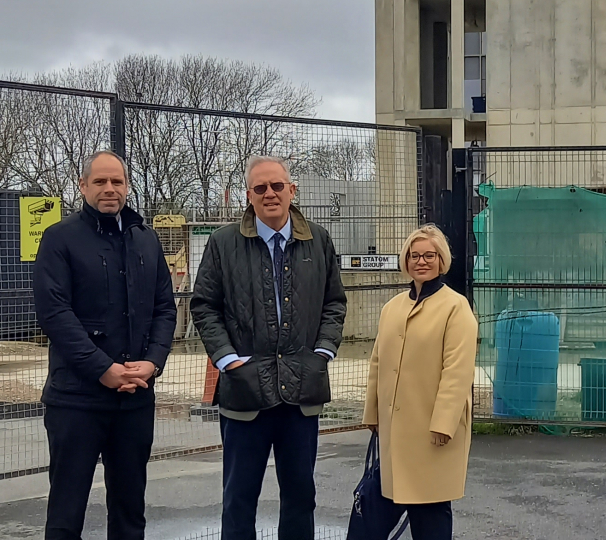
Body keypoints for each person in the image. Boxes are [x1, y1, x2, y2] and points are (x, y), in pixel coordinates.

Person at [190, 155, 347, 540]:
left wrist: (322, 353)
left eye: (277, 186)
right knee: (239, 498)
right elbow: (204, 305)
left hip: (301, 392)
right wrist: (228, 361)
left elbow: (334, 302)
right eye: (260, 188)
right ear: (249, 195)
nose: (270, 194)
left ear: (292, 190)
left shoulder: (318, 240)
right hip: (245, 392)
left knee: (300, 496)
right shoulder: (223, 242)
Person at [33, 150, 177, 540]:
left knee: (130, 512)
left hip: (135, 398)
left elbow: (165, 308)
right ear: (83, 186)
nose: (109, 189)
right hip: (76, 400)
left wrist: (153, 362)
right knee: (66, 513)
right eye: (100, 181)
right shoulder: (59, 238)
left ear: (127, 186)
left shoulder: (146, 240)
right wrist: (103, 369)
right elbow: (56, 315)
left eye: (117, 181)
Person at [363, 224, 478, 540]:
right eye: (414, 255)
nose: (421, 261)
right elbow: (377, 363)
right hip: (394, 433)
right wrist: (372, 413)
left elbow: (457, 372)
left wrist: (444, 423)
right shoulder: (392, 308)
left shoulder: (456, 308)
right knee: (370, 514)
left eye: (429, 255)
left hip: (431, 434)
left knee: (430, 513)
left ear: (441, 260)